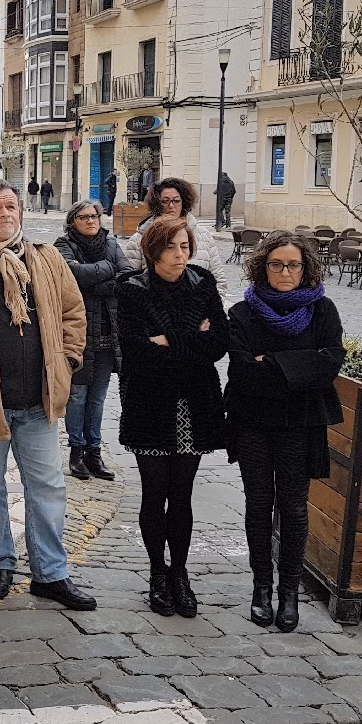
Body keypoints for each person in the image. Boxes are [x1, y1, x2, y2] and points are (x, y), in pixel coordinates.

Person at [0, 179, 96, 611]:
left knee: (47, 487)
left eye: (11, 206)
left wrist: (66, 363)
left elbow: (73, 311)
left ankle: (51, 572)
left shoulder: (46, 259)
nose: (6, 213)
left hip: (39, 401)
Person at [226, 231, 345, 632]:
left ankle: (289, 592)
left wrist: (271, 363)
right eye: (276, 264)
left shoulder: (323, 310)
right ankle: (262, 588)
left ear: (305, 268)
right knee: (259, 504)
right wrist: (296, 366)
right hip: (253, 422)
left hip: (301, 424)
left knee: (293, 507)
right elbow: (242, 370)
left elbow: (329, 363)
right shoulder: (243, 313)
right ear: (263, 267)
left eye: (293, 264)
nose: (285, 271)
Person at [116, 216, 229, 619]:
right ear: (152, 250)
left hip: (194, 404)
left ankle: (180, 573)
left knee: (182, 494)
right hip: (150, 402)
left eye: (185, 246)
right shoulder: (131, 289)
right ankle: (157, 574)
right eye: (171, 248)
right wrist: (190, 339)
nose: (180, 255)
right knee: (154, 492)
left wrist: (168, 341)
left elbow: (219, 343)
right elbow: (133, 350)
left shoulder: (202, 283)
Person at [54, 200, 127, 482]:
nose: (90, 220)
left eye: (94, 216)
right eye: (83, 217)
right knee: (77, 395)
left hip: (108, 334)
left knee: (97, 398)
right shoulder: (63, 246)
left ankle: (94, 452)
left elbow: (126, 277)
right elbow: (70, 278)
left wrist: (93, 280)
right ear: (73, 221)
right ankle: (76, 451)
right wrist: (107, 270)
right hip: (78, 335)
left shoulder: (111, 245)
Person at [123, 177, 227, 298]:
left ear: (184, 202)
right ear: (157, 203)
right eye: (165, 201)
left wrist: (211, 311)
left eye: (176, 201)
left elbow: (218, 280)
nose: (171, 206)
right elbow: (129, 285)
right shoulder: (139, 239)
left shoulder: (204, 236)